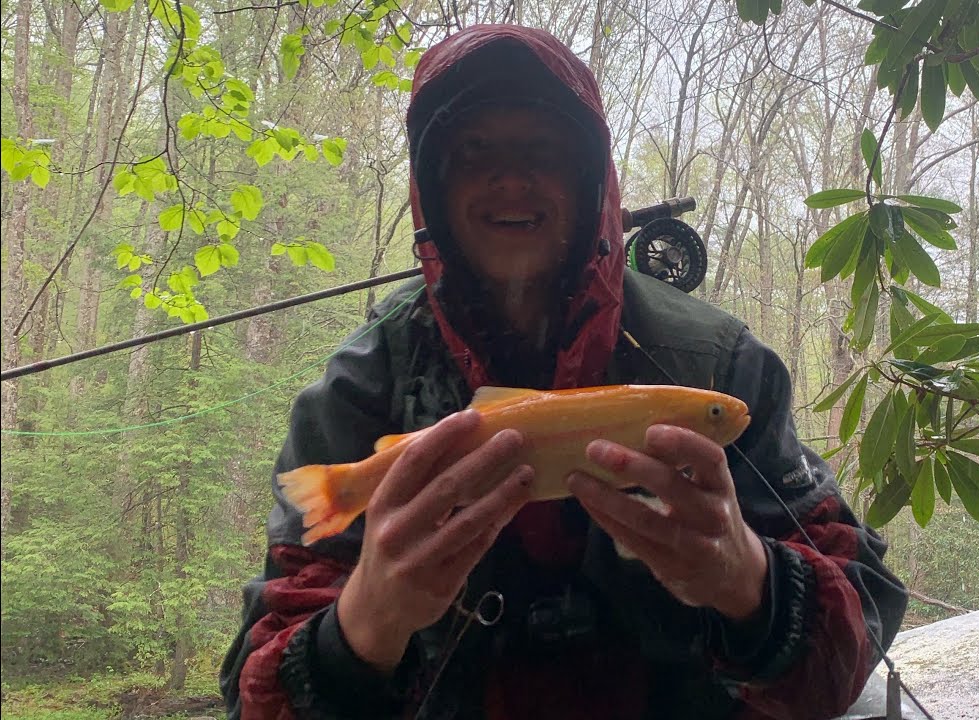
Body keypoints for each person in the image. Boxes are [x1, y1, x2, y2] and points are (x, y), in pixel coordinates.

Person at [219, 24, 907, 720]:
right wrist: (364, 625)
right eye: (475, 150)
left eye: (541, 150)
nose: (510, 178)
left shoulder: (719, 365)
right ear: (433, 185)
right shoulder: (363, 386)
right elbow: (258, 691)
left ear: (588, 183)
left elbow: (859, 620)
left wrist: (751, 583)